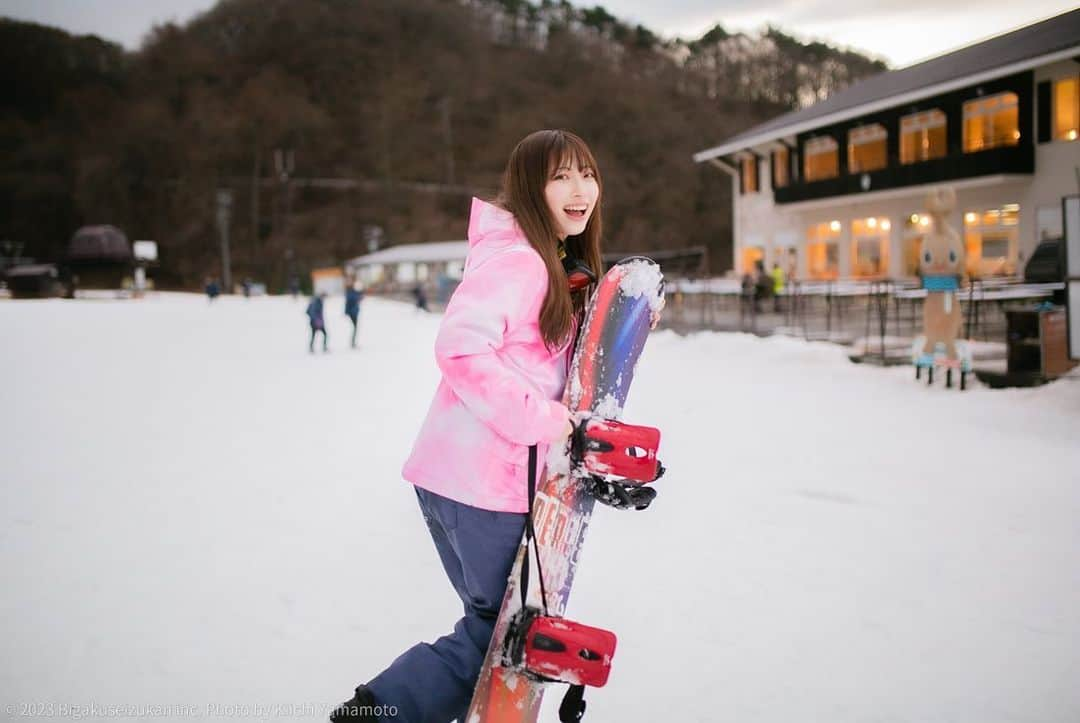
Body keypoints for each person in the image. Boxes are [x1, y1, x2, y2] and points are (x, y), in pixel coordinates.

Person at [330, 130, 608, 723]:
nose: (579, 188)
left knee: (494, 630)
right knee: (499, 639)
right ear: (531, 188)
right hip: (484, 487)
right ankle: (375, 714)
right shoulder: (522, 263)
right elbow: (461, 349)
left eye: (586, 173)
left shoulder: (542, 258)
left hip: (459, 480)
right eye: (560, 176)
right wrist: (545, 420)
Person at [345, 282, 364, 348]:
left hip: (354, 313)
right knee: (355, 328)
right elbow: (350, 302)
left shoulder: (353, 293)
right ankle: (353, 342)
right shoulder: (351, 294)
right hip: (352, 313)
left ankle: (353, 342)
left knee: (355, 328)